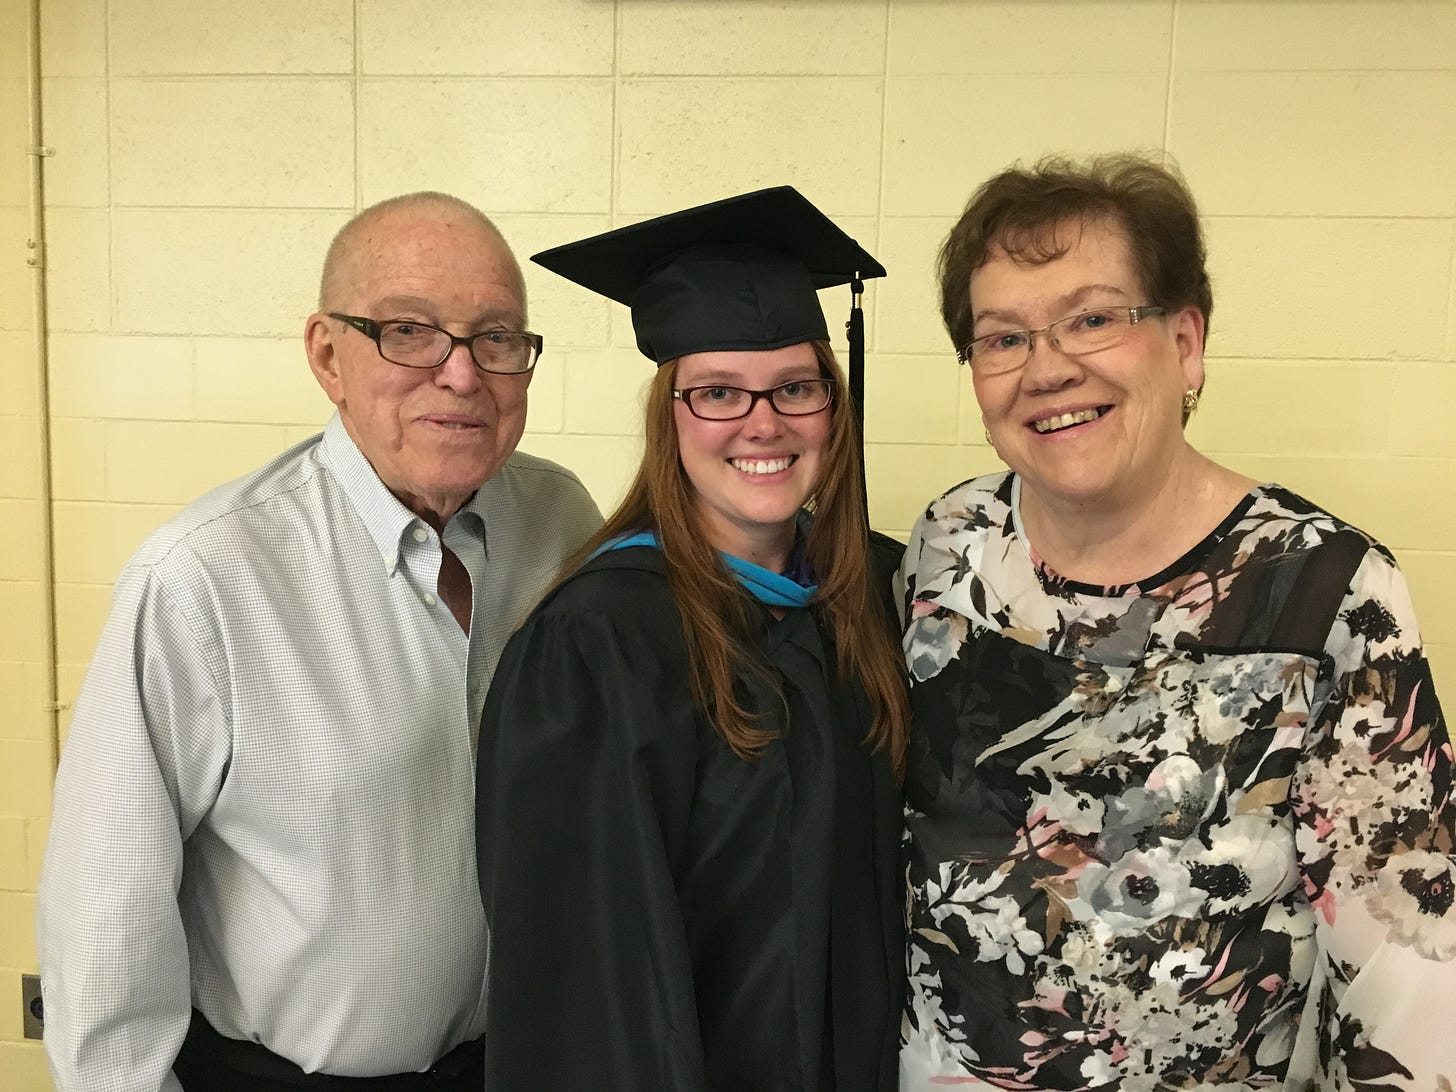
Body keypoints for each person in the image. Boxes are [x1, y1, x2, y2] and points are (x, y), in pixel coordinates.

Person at [897, 153, 1456, 1089]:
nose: (1048, 367)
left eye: (1092, 319)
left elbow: (1405, 957)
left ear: (1186, 340)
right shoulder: (951, 544)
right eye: (1003, 338)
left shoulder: (1327, 591)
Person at [37, 191, 603, 1091]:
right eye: (410, 331)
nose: (461, 375)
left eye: (497, 337)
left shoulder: (561, 520)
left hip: (517, 1063)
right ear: (327, 355)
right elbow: (105, 917)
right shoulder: (204, 580)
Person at [475, 187, 909, 1091]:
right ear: (668, 416)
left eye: (797, 386)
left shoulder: (879, 593)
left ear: (834, 403)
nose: (763, 422)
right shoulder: (598, 646)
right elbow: (586, 989)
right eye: (716, 392)